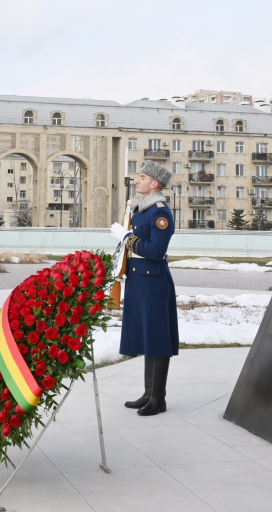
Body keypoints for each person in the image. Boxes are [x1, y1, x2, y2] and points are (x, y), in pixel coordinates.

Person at [110, 160, 178, 416]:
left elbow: (157, 252)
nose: (137, 180)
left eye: (142, 177)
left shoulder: (160, 212)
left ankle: (158, 398)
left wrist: (128, 238)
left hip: (154, 281)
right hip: (140, 280)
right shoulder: (141, 210)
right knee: (149, 337)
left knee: (157, 338)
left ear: (155, 184)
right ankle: (149, 393)